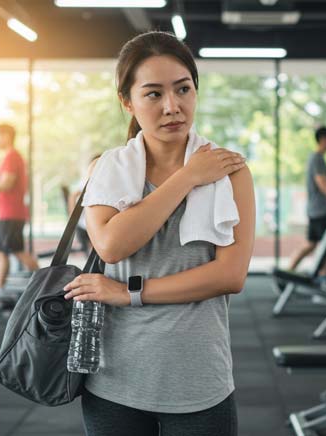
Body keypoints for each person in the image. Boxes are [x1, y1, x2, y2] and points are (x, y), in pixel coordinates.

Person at [62, 31, 254, 436]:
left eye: (183, 89)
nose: (173, 107)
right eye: (153, 94)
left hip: (199, 381)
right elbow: (113, 245)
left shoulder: (231, 172)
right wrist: (187, 178)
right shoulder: (107, 169)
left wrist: (129, 293)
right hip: (116, 381)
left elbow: (229, 277)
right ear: (127, 102)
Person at [286, 126, 326, 271]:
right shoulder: (317, 159)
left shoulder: (317, 158)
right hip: (320, 211)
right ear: (323, 139)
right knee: (323, 246)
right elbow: (323, 185)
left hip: (318, 210)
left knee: (314, 245)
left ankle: (291, 271)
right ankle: (323, 278)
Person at [0, 123, 39, 289]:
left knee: (16, 251)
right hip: (10, 212)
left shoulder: (12, 156)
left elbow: (6, 184)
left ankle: (45, 281)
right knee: (2, 251)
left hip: (11, 213)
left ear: (6, 136)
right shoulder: (12, 156)